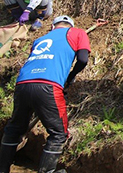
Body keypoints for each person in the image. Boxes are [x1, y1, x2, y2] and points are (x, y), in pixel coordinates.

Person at [0, 15, 89, 173]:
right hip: (49, 86)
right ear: (70, 26)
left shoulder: (39, 39)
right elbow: (83, 59)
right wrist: (70, 76)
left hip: (22, 85)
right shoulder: (78, 32)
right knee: (58, 133)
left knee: (14, 129)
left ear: (53, 27)